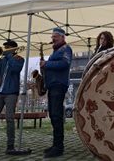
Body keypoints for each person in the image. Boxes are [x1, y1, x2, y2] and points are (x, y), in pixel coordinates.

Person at [40, 27, 72, 158]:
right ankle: (55, 144)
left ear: (62, 37)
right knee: (53, 115)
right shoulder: (55, 51)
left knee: (57, 115)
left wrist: (46, 64)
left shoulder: (66, 49)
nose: (52, 39)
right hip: (52, 85)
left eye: (55, 37)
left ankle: (59, 147)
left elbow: (64, 64)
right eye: (52, 36)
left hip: (59, 85)